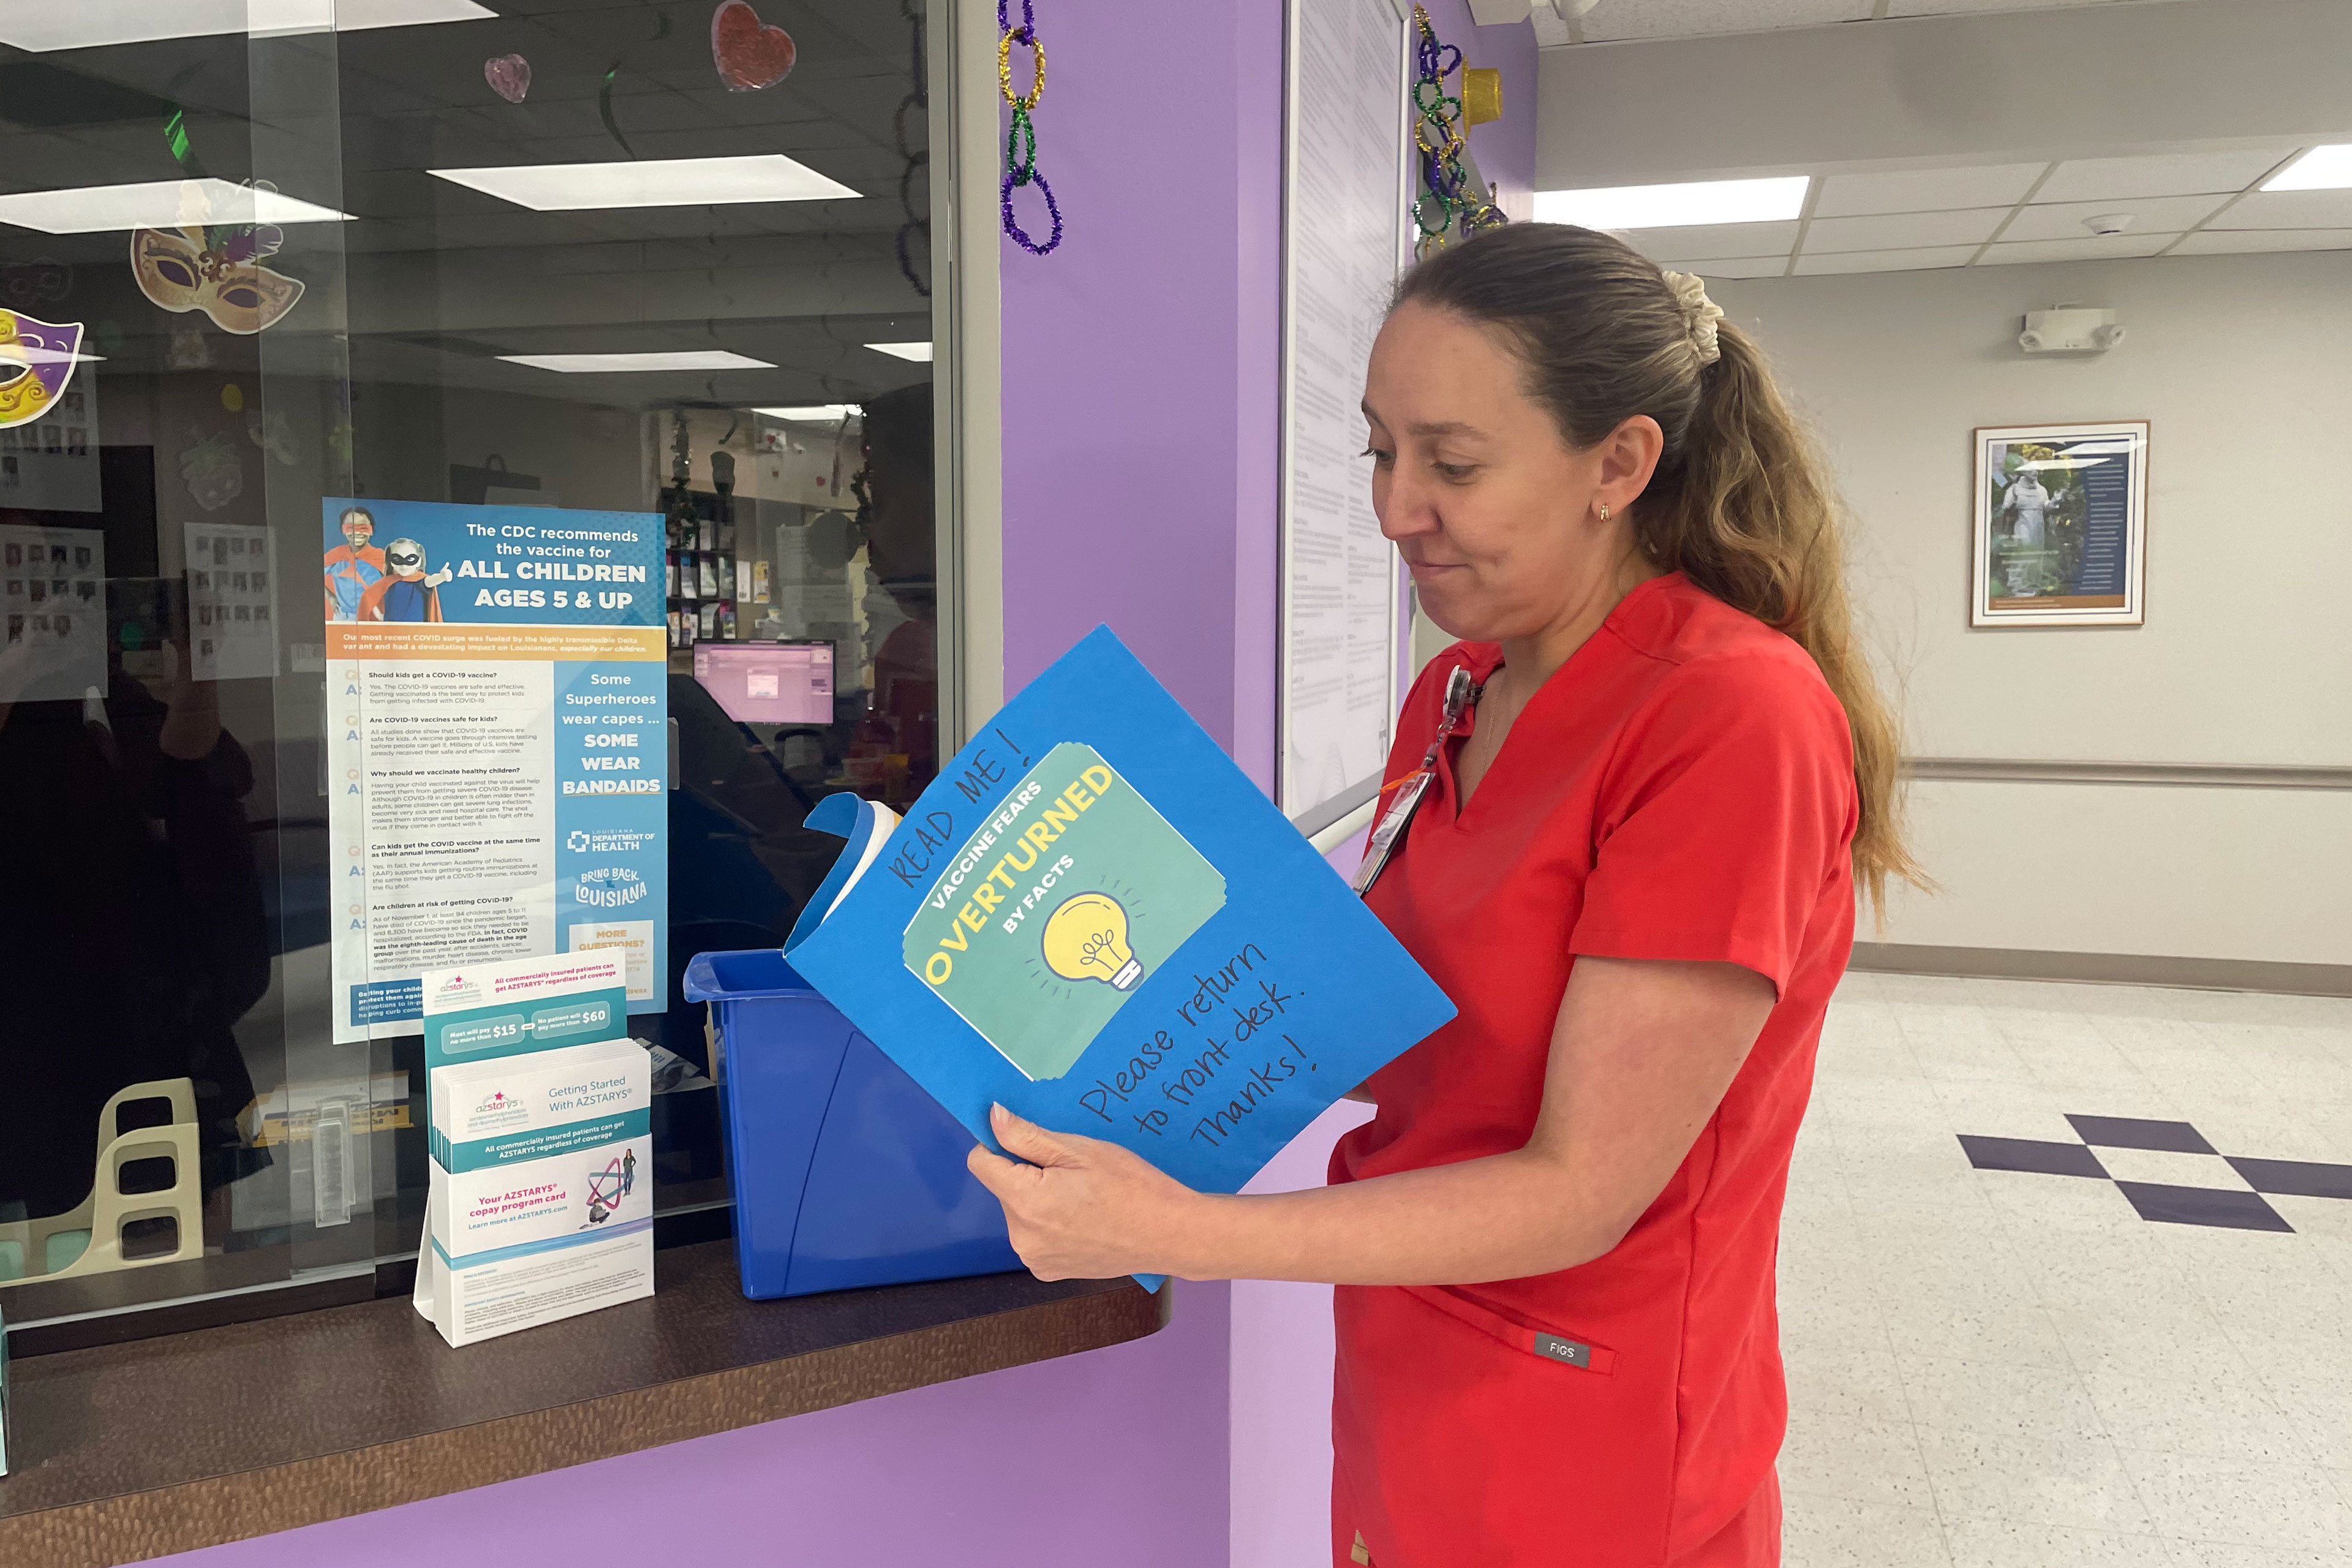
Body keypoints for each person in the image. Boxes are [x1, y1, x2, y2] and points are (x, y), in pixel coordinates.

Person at [967, 224, 1923, 1568]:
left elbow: (1583, 1185)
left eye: (1453, 463)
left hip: (1590, 1417)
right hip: (1416, 1346)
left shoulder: (1729, 717)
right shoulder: (1462, 688)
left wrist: (1171, 1228)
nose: (1396, 507)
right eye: (1380, 451)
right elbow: (1420, 1022)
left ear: (1622, 463)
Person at [323, 505, 385, 622]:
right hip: (342, 617)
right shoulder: (336, 555)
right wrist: (330, 597)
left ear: (371, 529)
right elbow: (312, 574)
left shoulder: (381, 557)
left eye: (363, 528)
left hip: (372, 619)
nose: (357, 533)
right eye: (351, 528)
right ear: (343, 530)